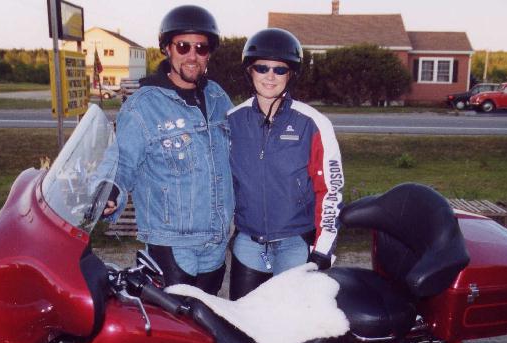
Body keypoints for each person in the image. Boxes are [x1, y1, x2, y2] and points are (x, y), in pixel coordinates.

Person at [100, 5, 234, 295]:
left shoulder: (218, 97)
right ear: (167, 49)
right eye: (184, 46)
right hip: (172, 244)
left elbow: (239, 153)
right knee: (176, 331)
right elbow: (121, 161)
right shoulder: (143, 106)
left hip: (216, 242)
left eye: (201, 47)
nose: (192, 55)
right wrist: (110, 190)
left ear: (209, 53)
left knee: (206, 331)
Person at [227, 28, 345, 300]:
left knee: (291, 328)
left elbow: (330, 187)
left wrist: (324, 244)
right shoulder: (232, 121)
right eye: (262, 67)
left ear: (291, 74)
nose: (270, 76)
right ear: (250, 71)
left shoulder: (312, 122)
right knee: (243, 326)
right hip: (248, 244)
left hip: (294, 244)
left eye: (280, 70)